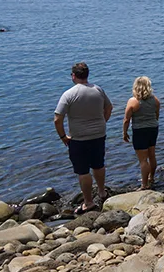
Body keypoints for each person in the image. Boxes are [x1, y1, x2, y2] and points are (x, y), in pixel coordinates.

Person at [54, 62, 112, 214]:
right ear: (87, 75)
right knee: (99, 164)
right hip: (99, 134)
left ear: (73, 76)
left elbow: (57, 119)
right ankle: (102, 192)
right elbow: (109, 107)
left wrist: (63, 136)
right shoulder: (98, 90)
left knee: (83, 171)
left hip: (78, 138)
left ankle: (88, 202)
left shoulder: (69, 94)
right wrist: (102, 121)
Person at [122, 76, 161, 190]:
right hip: (153, 128)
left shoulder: (133, 101)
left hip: (140, 131)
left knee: (143, 160)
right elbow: (156, 114)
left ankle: (144, 185)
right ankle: (151, 178)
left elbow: (126, 119)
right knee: (152, 155)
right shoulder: (155, 99)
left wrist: (125, 133)